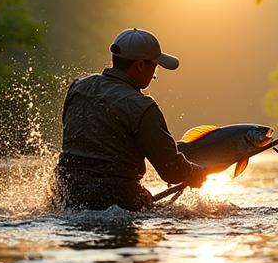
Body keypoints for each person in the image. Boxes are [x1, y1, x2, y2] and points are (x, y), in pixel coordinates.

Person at [52, 28, 208, 211]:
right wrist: (198, 173)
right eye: (154, 66)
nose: (154, 73)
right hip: (113, 201)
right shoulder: (142, 106)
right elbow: (171, 171)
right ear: (140, 65)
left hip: (63, 192)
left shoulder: (78, 87)